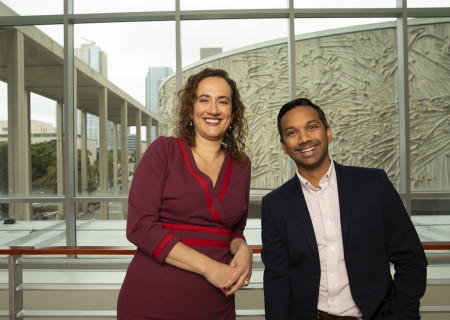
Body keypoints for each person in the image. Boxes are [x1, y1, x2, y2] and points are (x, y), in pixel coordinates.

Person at [261, 97, 428, 320]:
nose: (304, 138)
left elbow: (411, 259)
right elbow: (277, 282)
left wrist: (399, 316)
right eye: (292, 133)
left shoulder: (373, 184)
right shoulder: (275, 204)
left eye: (312, 127)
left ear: (328, 133)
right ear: (284, 146)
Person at [117, 68, 253, 319]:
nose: (213, 109)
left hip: (216, 303)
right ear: (190, 110)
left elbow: (234, 230)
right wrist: (209, 268)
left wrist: (244, 249)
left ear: (232, 114)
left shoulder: (242, 165)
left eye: (223, 101)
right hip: (152, 301)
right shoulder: (164, 152)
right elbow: (139, 225)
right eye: (204, 100)